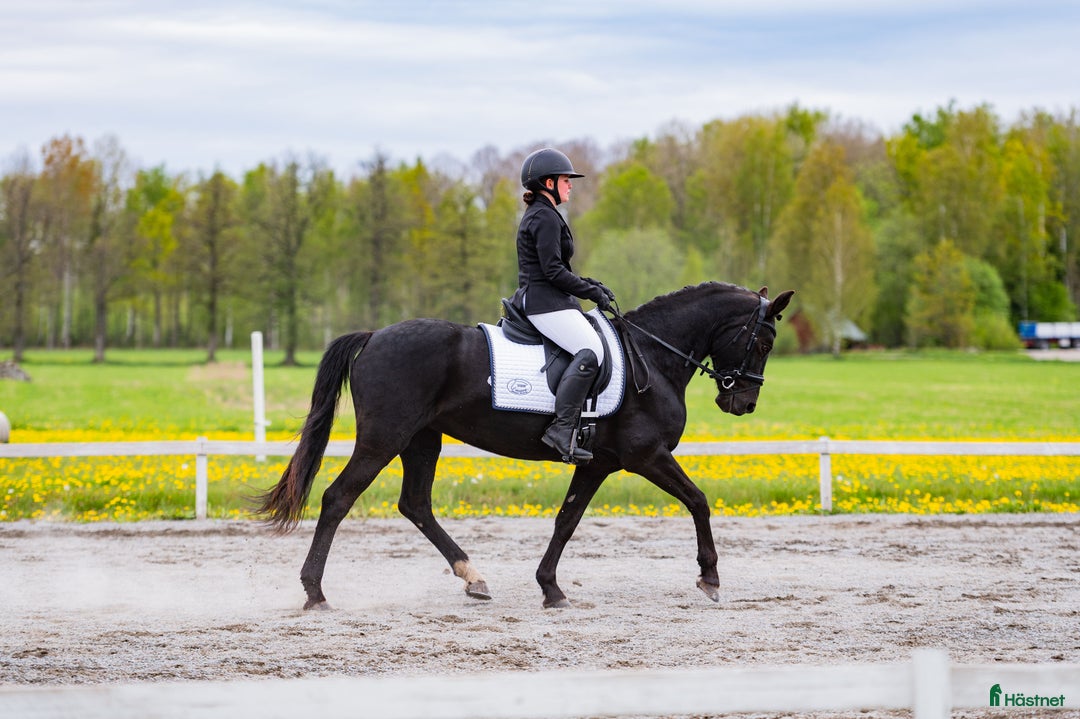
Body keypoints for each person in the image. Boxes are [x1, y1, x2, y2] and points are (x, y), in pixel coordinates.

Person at [514, 148, 616, 464]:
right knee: (592, 350)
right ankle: (562, 429)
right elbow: (553, 272)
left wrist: (592, 285)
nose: (570, 185)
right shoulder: (544, 217)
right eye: (565, 180)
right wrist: (590, 292)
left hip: (552, 300)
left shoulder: (545, 214)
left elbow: (558, 268)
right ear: (548, 183)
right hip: (546, 304)